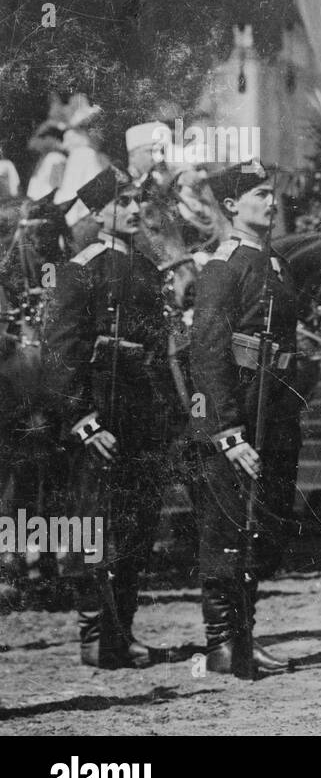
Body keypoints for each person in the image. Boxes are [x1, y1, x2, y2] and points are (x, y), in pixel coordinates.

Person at [42, 167, 180, 668]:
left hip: (142, 411)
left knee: (136, 525)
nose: (138, 209)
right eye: (124, 201)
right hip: (101, 415)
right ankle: (95, 636)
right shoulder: (81, 268)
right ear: (100, 213)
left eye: (140, 200)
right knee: (96, 522)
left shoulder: (145, 267)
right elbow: (60, 352)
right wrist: (83, 420)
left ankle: (122, 633)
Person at [187, 161, 300, 677]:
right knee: (227, 523)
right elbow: (208, 353)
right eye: (259, 193)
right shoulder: (222, 266)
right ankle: (221, 644)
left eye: (272, 193)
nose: (271, 202)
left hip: (273, 410)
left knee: (260, 525)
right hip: (236, 414)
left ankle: (245, 636)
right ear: (232, 205)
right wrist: (227, 433)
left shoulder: (276, 266)